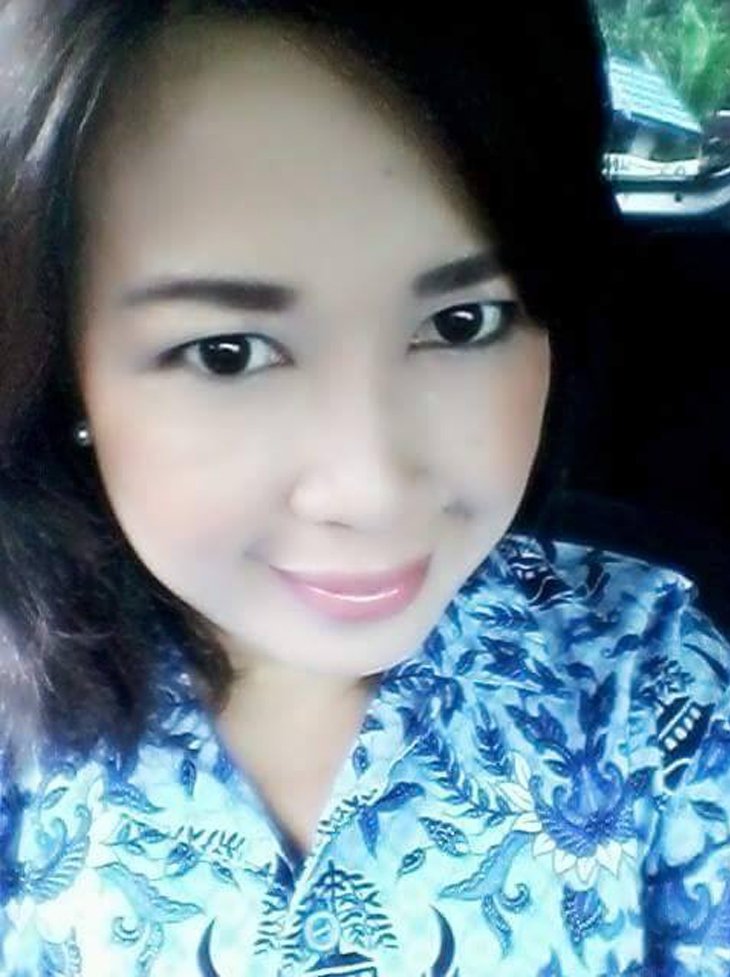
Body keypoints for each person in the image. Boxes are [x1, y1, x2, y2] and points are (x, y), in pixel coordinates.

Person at [0, 2, 728, 975]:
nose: (372, 490)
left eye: (463, 322)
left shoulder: (647, 677)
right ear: (64, 367)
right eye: (228, 351)